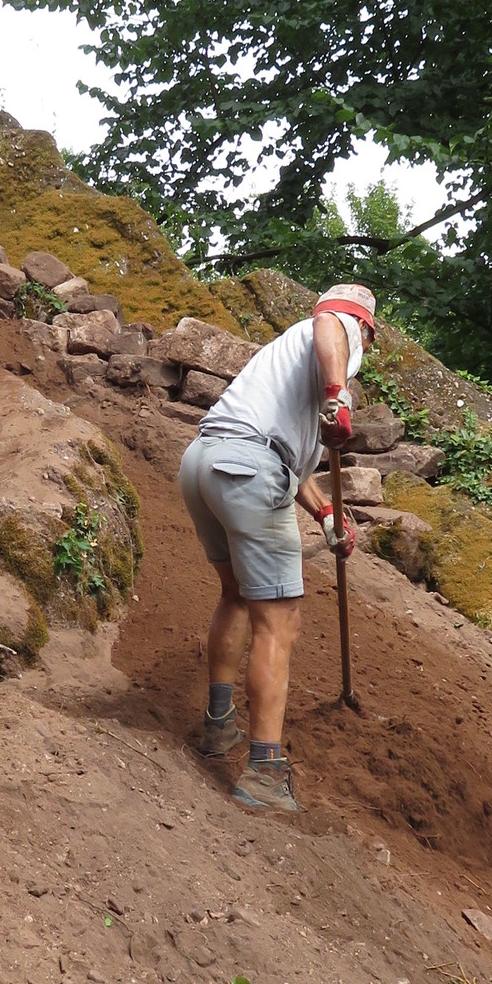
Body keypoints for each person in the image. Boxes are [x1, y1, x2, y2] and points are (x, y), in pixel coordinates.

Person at [176, 282, 377, 813]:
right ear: (365, 328)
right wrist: (337, 396)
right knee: (279, 621)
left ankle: (220, 725)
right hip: (247, 469)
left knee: (237, 596)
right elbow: (330, 320)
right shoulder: (336, 330)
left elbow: (281, 457)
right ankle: (265, 771)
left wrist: (326, 513)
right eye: (367, 337)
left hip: (203, 462)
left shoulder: (284, 361)